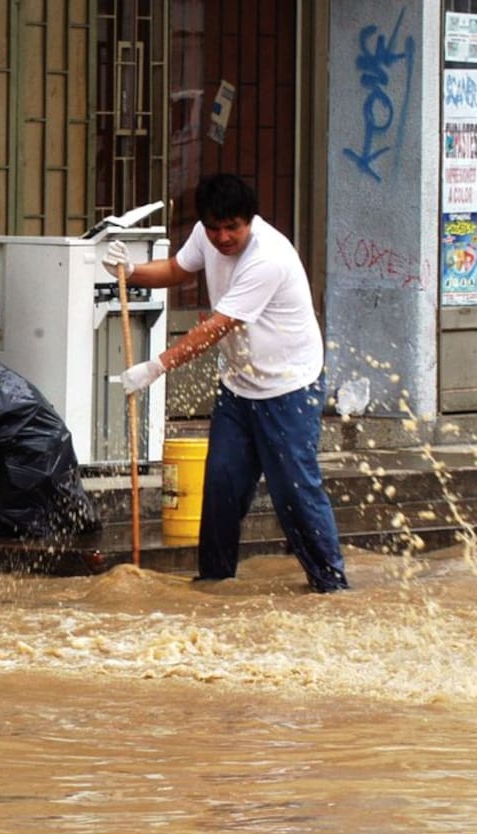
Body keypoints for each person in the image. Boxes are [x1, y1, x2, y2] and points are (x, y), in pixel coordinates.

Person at [103, 173, 348, 593]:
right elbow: (177, 269)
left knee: (294, 492)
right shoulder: (206, 235)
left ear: (250, 220)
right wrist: (130, 271)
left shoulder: (267, 258)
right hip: (238, 386)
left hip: (289, 388)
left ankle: (330, 586)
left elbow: (216, 327)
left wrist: (155, 367)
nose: (223, 238)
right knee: (221, 486)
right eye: (214, 228)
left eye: (232, 228)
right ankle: (214, 584)